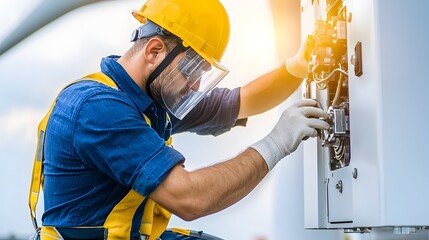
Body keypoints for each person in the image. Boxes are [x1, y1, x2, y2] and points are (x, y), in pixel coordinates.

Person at [28, 0, 329, 239]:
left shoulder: (151, 102)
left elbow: (241, 102)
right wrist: (276, 143)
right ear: (155, 51)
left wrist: (296, 67)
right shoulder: (99, 108)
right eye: (193, 70)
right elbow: (189, 199)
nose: (195, 86)